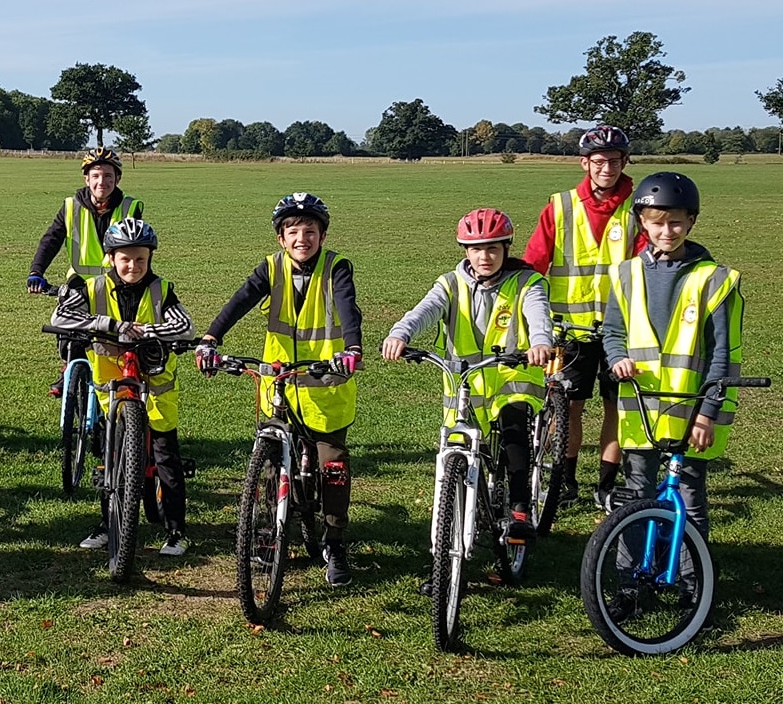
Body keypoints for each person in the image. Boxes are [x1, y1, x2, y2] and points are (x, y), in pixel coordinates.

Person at [196, 193, 363, 585]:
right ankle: (270, 530)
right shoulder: (271, 268)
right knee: (269, 458)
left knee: (333, 464)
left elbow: (346, 307)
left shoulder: (336, 267)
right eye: (293, 232)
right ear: (281, 239)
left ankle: (335, 542)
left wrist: (352, 347)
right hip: (280, 381)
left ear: (322, 235)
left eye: (310, 231)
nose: (301, 238)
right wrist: (210, 337)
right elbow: (240, 301)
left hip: (326, 382)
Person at [381, 209, 553, 546]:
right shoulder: (451, 283)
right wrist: (400, 334)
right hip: (464, 388)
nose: (484, 257)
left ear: (506, 248)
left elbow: (538, 314)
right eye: (476, 249)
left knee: (514, 428)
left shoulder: (526, 283)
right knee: (452, 466)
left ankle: (520, 511)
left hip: (511, 382)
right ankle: (444, 555)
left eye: (492, 249)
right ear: (465, 251)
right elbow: (425, 310)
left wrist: (540, 342)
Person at [601, 172, 743, 539]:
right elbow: (613, 331)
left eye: (676, 222)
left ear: (691, 221)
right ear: (642, 223)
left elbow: (721, 353)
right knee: (636, 497)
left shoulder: (714, 279)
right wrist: (617, 357)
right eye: (657, 223)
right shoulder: (625, 275)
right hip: (640, 406)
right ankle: (629, 580)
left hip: (692, 410)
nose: (667, 231)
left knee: (690, 499)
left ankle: (692, 583)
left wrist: (707, 415)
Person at [50, 218, 196, 555]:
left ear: (150, 259)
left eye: (141, 260)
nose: (133, 266)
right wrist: (110, 325)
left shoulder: (161, 289)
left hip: (156, 387)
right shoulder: (92, 288)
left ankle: (176, 531)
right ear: (111, 258)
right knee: (109, 456)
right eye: (125, 259)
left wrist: (150, 331)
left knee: (165, 457)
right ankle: (108, 522)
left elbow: (185, 325)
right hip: (111, 389)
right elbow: (60, 318)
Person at [521, 124, 647, 512]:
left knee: (617, 407)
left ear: (625, 162)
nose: (606, 168)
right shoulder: (560, 206)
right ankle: (565, 479)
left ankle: (606, 484)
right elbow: (532, 264)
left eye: (614, 161)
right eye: (599, 161)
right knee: (568, 407)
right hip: (568, 329)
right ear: (585, 163)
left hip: (620, 329)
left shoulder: (639, 207)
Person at [29, 147, 144, 395]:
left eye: (108, 176)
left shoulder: (130, 207)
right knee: (71, 333)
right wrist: (36, 271)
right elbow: (51, 240)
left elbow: (138, 248)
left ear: (117, 179)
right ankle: (70, 369)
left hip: (117, 283)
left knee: (120, 334)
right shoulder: (71, 206)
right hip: (80, 282)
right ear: (86, 179)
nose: (102, 181)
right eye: (96, 175)